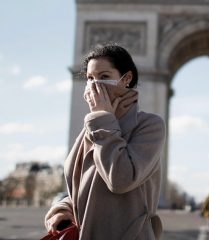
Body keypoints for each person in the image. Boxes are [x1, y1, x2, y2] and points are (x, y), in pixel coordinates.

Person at [43, 44, 166, 240]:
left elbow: (120, 180)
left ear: (126, 79)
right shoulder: (90, 129)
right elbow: (81, 187)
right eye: (90, 78)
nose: (94, 84)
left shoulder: (149, 126)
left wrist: (102, 118)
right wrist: (62, 208)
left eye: (104, 76)